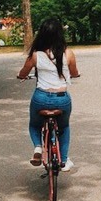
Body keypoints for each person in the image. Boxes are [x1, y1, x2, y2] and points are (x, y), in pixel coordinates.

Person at [17, 18, 80, 172]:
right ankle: (64, 160)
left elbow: (22, 73)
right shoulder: (68, 54)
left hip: (41, 98)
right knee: (64, 127)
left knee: (34, 124)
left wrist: (22, 76)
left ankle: (38, 147)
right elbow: (74, 73)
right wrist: (75, 74)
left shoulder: (35, 55)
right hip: (61, 100)